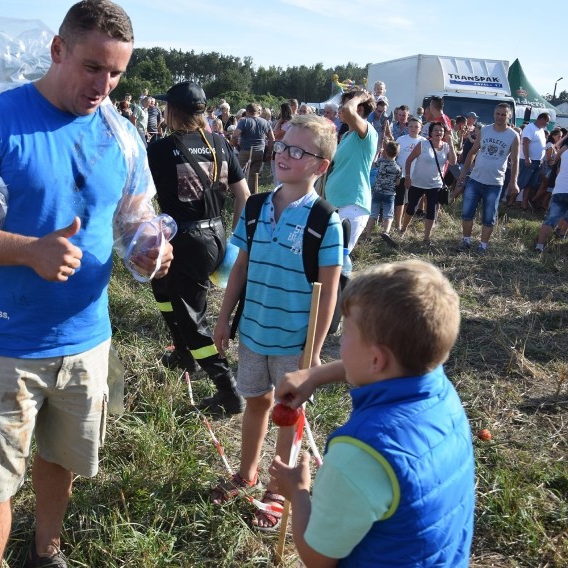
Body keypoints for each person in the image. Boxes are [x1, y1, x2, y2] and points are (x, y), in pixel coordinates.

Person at [0, 2, 173, 566]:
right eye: (92, 67)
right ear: (58, 49)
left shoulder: (121, 133)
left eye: (116, 73)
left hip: (87, 337)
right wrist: (28, 251)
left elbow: (134, 217)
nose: (103, 85)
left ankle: (46, 552)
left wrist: (149, 245)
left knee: (62, 456)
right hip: (8, 339)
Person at [269, 259, 473, 567]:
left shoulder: (361, 454)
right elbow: (383, 364)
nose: (341, 343)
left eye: (346, 333)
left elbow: (316, 558)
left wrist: (297, 493)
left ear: (376, 359)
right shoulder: (439, 390)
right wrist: (316, 375)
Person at [211, 115, 342, 531]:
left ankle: (278, 488)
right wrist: (223, 319)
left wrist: (314, 351)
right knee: (256, 402)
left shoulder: (325, 221)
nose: (284, 155)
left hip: (294, 342)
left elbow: (329, 291)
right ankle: (247, 473)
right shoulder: (254, 207)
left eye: (298, 151)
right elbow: (239, 270)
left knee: (288, 413)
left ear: (320, 166)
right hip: (252, 331)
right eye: (283, 146)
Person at [147, 81, 249, 414]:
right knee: (161, 286)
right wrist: (234, 238)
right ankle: (182, 351)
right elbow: (244, 196)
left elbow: (138, 194)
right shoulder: (220, 143)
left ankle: (228, 391)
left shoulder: (161, 149)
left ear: (171, 111)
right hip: (216, 235)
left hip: (185, 241)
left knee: (193, 319)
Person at [453, 103, 520, 254]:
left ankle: (482, 246)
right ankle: (466, 241)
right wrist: (463, 173)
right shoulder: (485, 130)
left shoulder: (513, 136)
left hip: (495, 183)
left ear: (509, 116)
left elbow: (515, 161)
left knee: (489, 217)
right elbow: (472, 152)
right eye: (498, 114)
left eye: (504, 114)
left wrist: (514, 181)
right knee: (467, 212)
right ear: (494, 114)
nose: (500, 117)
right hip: (475, 179)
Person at [323, 88, 378, 251]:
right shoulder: (347, 136)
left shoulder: (368, 133)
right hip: (336, 203)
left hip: (352, 205)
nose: (341, 110)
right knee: (326, 259)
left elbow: (348, 110)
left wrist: (360, 96)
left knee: (336, 259)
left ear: (358, 109)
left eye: (344, 105)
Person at [400, 121, 457, 245]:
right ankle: (403, 229)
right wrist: (408, 177)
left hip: (435, 184)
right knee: (411, 208)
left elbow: (452, 162)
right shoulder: (423, 144)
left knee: (431, 210)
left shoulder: (446, 147)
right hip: (417, 182)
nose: (439, 133)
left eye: (441, 131)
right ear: (431, 132)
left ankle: (426, 238)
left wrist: (451, 144)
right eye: (436, 130)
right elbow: (409, 160)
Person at [233, 102, 274, 192]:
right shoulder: (265, 122)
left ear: (247, 111)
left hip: (245, 150)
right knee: (254, 174)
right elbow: (272, 139)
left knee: (239, 172)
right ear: (257, 112)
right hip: (259, 151)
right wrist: (269, 153)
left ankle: (238, 193)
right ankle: (252, 194)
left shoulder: (243, 120)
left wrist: (234, 145)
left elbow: (235, 135)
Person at [364, 140, 401, 240]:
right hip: (389, 193)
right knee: (388, 214)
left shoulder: (381, 162)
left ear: (385, 152)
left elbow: (372, 164)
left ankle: (368, 235)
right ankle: (386, 231)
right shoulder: (398, 168)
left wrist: (377, 153)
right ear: (397, 153)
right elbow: (398, 182)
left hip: (377, 191)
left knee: (373, 213)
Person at [516, 111, 549, 210]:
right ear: (541, 119)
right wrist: (527, 158)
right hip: (528, 160)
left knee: (530, 185)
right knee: (521, 183)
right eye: (547, 121)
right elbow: (525, 143)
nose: (547, 124)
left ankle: (524, 204)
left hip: (537, 161)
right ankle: (511, 201)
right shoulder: (530, 128)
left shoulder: (541, 130)